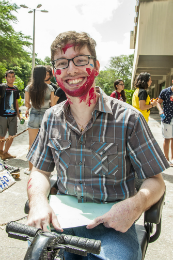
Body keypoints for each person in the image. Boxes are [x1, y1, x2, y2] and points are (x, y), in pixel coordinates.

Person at [26, 31, 169, 260]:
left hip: (114, 227)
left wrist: (135, 206)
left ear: (96, 65)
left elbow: (156, 182)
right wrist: (39, 201)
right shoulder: (50, 118)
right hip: (61, 223)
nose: (72, 69)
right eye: (62, 63)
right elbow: (40, 171)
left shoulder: (129, 119)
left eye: (81, 60)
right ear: (56, 73)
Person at [24, 65, 55, 175]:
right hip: (45, 116)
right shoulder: (50, 88)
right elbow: (53, 105)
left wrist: (28, 108)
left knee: (32, 144)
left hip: (33, 115)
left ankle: (30, 169)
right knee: (45, 144)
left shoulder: (29, 88)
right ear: (43, 75)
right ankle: (44, 170)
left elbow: (27, 104)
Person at [0, 70, 21, 160]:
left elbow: (16, 102)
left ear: (14, 78)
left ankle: (5, 152)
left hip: (13, 115)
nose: (11, 78)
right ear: (6, 78)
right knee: (2, 135)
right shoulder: (2, 87)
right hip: (3, 115)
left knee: (12, 135)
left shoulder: (16, 89)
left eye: (12, 76)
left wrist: (19, 114)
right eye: (9, 76)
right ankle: (1, 151)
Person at [157, 81, 173, 167]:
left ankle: (172, 159)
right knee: (167, 139)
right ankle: (166, 159)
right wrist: (160, 110)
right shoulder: (165, 91)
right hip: (167, 118)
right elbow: (158, 102)